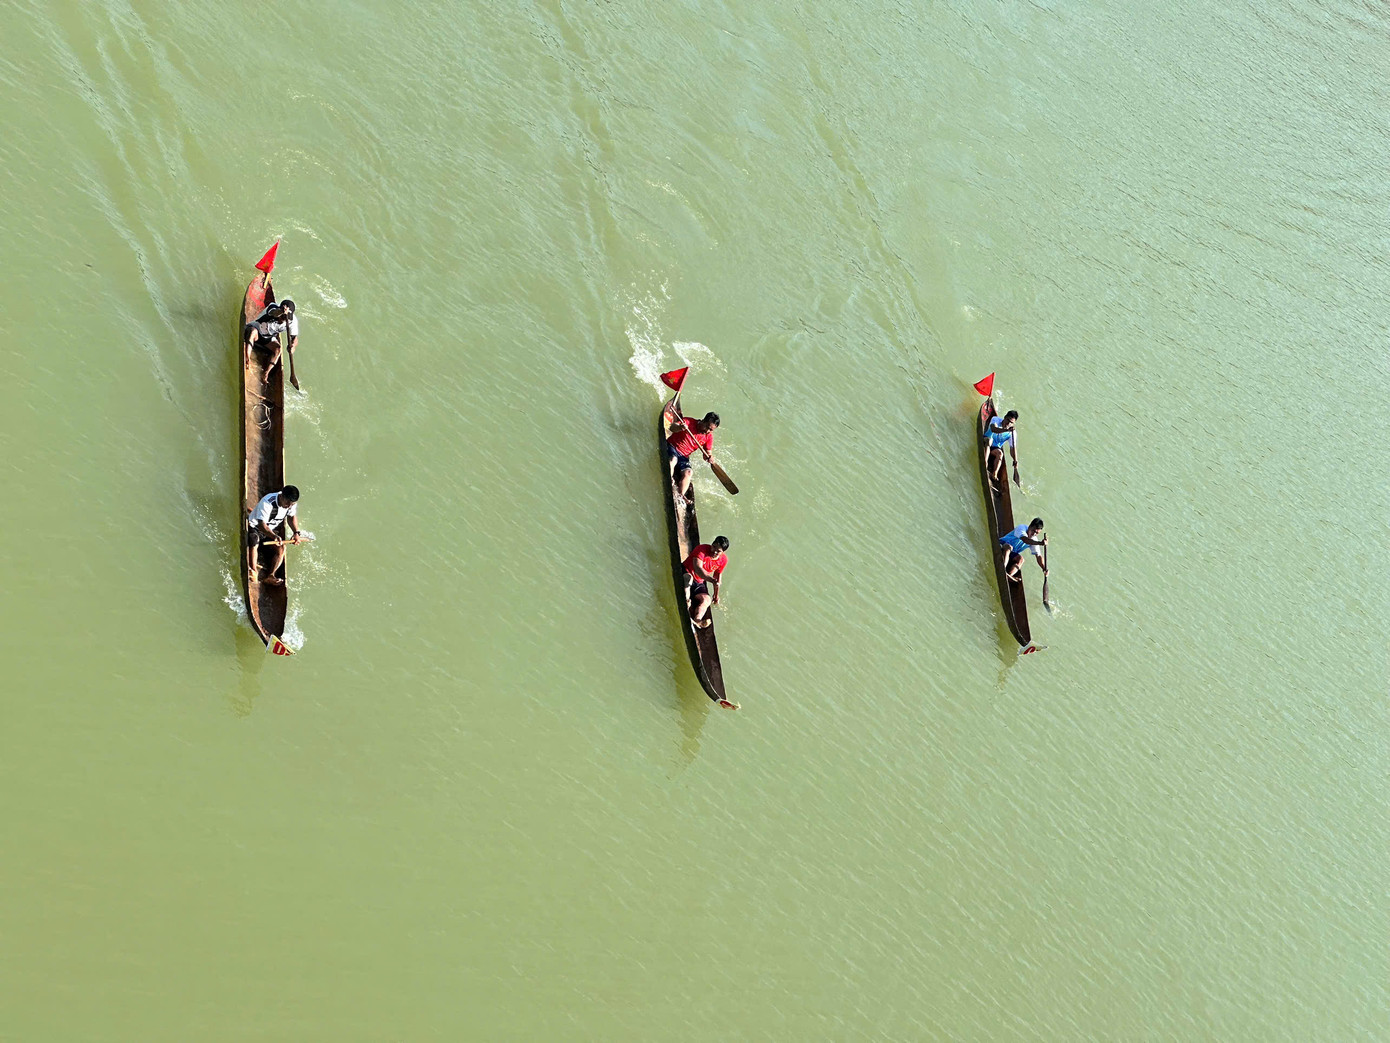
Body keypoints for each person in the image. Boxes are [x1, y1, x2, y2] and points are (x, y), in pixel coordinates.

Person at [246, 484, 302, 586]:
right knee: (254, 540)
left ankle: (271, 575)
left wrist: (296, 533)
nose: (289, 506)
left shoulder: (290, 504)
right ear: (281, 496)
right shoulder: (267, 502)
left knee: (281, 548)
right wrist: (274, 536)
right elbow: (262, 526)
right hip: (256, 527)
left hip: (270, 530)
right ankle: (253, 571)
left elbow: (291, 517)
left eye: (292, 504)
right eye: (287, 503)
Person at [666, 409, 720, 500]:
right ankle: (668, 480)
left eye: (711, 430)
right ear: (703, 421)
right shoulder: (689, 422)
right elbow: (672, 427)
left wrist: (709, 457)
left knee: (689, 472)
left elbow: (707, 453)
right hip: (672, 447)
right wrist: (680, 427)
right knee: (673, 460)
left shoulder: (709, 436)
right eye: (707, 427)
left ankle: (680, 496)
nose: (707, 431)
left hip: (684, 457)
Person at [243, 298, 299, 384]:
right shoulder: (272, 307)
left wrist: (293, 346)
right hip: (257, 331)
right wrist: (281, 311)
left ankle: (266, 374)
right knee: (252, 332)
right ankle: (247, 359)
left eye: (285, 318)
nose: (282, 320)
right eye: (282, 317)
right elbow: (274, 313)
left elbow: (295, 338)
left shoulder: (292, 321)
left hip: (268, 338)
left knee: (278, 349)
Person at [682, 535, 729, 629]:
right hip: (686, 572)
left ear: (723, 552)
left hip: (699, 582)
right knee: (688, 578)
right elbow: (698, 569)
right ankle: (686, 602)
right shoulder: (701, 549)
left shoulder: (723, 560)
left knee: (707, 600)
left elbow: (717, 579)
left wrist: (716, 596)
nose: (714, 551)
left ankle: (697, 620)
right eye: (714, 547)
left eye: (718, 551)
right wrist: (712, 580)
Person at [999, 517, 1047, 585]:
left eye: (1037, 533)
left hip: (1011, 553)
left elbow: (1038, 556)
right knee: (1009, 547)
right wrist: (1040, 543)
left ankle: (1009, 576)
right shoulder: (1022, 528)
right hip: (1002, 545)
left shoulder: (1034, 539)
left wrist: (1044, 568)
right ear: (1030, 526)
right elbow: (1025, 540)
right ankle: (1002, 570)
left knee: (1021, 560)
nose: (1034, 534)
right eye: (1033, 531)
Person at [983, 409, 1020, 488]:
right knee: (989, 441)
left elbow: (1013, 449)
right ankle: (985, 463)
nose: (1008, 423)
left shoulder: (1012, 433)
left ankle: (994, 474)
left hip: (994, 449)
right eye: (1008, 420)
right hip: (986, 440)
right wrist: (1006, 430)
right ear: (1005, 417)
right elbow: (994, 429)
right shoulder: (996, 420)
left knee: (1000, 454)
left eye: (1011, 423)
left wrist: (1015, 460)